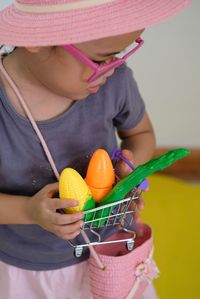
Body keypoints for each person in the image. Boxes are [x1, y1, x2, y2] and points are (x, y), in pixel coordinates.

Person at [0, 1, 191, 298]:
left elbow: (140, 133)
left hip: (111, 251)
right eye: (100, 60)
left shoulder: (116, 82)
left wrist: (128, 171)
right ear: (35, 40)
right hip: (26, 268)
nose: (111, 70)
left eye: (119, 55)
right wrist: (28, 210)